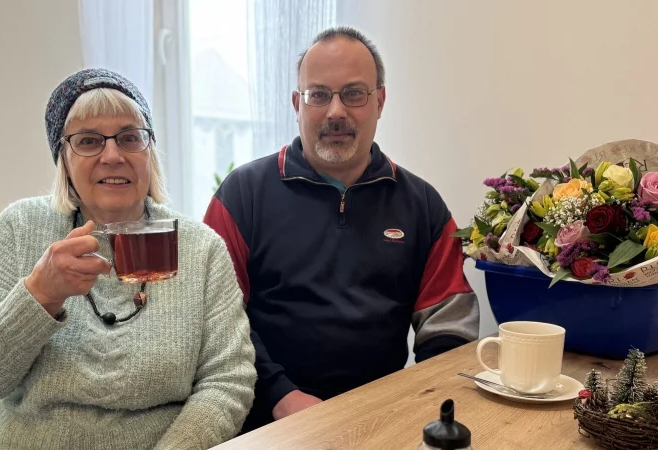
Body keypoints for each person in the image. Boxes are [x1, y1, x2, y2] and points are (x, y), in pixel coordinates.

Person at [0, 68, 256, 449]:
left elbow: (227, 380)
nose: (113, 155)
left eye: (130, 138)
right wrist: (39, 295)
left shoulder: (200, 248)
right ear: (63, 161)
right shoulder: (21, 227)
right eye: (88, 141)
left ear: (149, 152)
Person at [204, 27, 479, 432]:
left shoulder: (423, 206)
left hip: (383, 418)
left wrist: (422, 403)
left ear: (380, 101)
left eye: (353, 94)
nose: (335, 111)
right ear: (297, 104)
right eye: (318, 95)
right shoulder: (241, 195)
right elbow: (217, 321)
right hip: (264, 420)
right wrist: (280, 395)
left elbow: (448, 327)